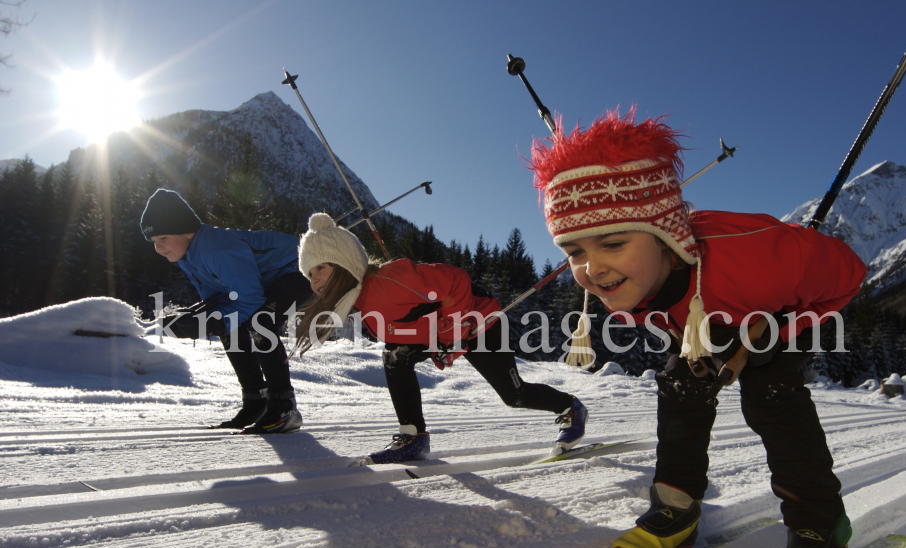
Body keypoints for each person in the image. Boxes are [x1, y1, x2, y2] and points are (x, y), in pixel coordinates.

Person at [527, 109, 868, 548]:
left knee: (770, 397)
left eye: (613, 243)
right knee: (681, 388)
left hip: (776, 314)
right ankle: (674, 514)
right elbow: (674, 321)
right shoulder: (636, 280)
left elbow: (848, 274)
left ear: (667, 238)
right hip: (702, 324)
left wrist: (782, 328)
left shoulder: (761, 258)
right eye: (574, 251)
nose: (591, 268)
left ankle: (822, 532)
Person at [293, 212, 588, 464]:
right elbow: (410, 330)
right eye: (309, 273)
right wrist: (435, 347)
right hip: (449, 333)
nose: (314, 279)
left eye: (321, 267)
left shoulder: (389, 282)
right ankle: (413, 439)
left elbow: (456, 281)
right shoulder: (362, 304)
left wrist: (449, 334)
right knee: (394, 357)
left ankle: (570, 408)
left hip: (480, 322)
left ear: (345, 262)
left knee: (515, 395)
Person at [141, 188, 312, 434]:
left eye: (163, 238)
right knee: (230, 327)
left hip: (301, 271)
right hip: (269, 280)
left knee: (259, 322)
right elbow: (219, 298)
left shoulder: (217, 249)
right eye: (154, 242)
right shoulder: (186, 255)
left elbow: (250, 299)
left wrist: (213, 321)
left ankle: (283, 408)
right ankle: (257, 402)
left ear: (187, 230)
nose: (158, 247)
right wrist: (197, 318)